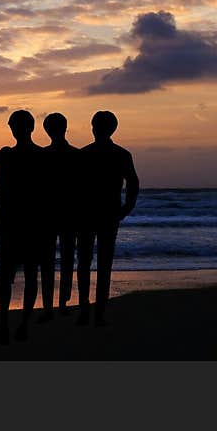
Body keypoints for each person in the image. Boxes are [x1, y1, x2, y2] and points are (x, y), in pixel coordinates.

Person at [77, 111, 139, 327]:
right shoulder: (121, 154)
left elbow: (73, 188)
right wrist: (126, 208)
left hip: (88, 214)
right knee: (104, 263)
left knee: (84, 262)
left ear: (93, 128)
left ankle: (85, 309)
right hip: (108, 214)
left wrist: (125, 208)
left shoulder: (84, 154)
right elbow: (133, 183)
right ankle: (98, 312)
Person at [0, 110, 43, 343]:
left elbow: (2, 193)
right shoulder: (41, 156)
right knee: (30, 276)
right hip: (33, 223)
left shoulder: (7, 156)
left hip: (12, 223)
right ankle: (23, 325)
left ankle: (4, 324)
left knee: (6, 276)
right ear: (31, 128)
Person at [41, 113, 82, 319]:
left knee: (48, 262)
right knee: (66, 260)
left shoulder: (42, 157)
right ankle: (61, 304)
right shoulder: (77, 155)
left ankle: (50, 306)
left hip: (49, 215)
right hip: (69, 214)